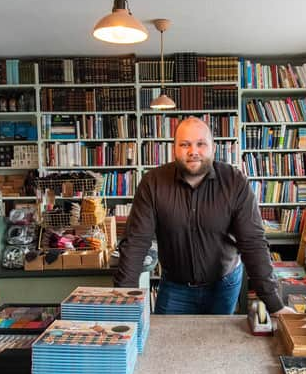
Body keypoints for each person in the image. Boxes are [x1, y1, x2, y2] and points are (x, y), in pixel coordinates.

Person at [114, 116, 293, 316]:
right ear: (174, 149)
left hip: (224, 285)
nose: (193, 151)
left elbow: (252, 242)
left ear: (213, 148)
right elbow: (136, 243)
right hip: (175, 288)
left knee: (219, 345)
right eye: (185, 144)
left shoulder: (235, 182)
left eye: (201, 144)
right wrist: (124, 303)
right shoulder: (152, 183)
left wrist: (275, 305)